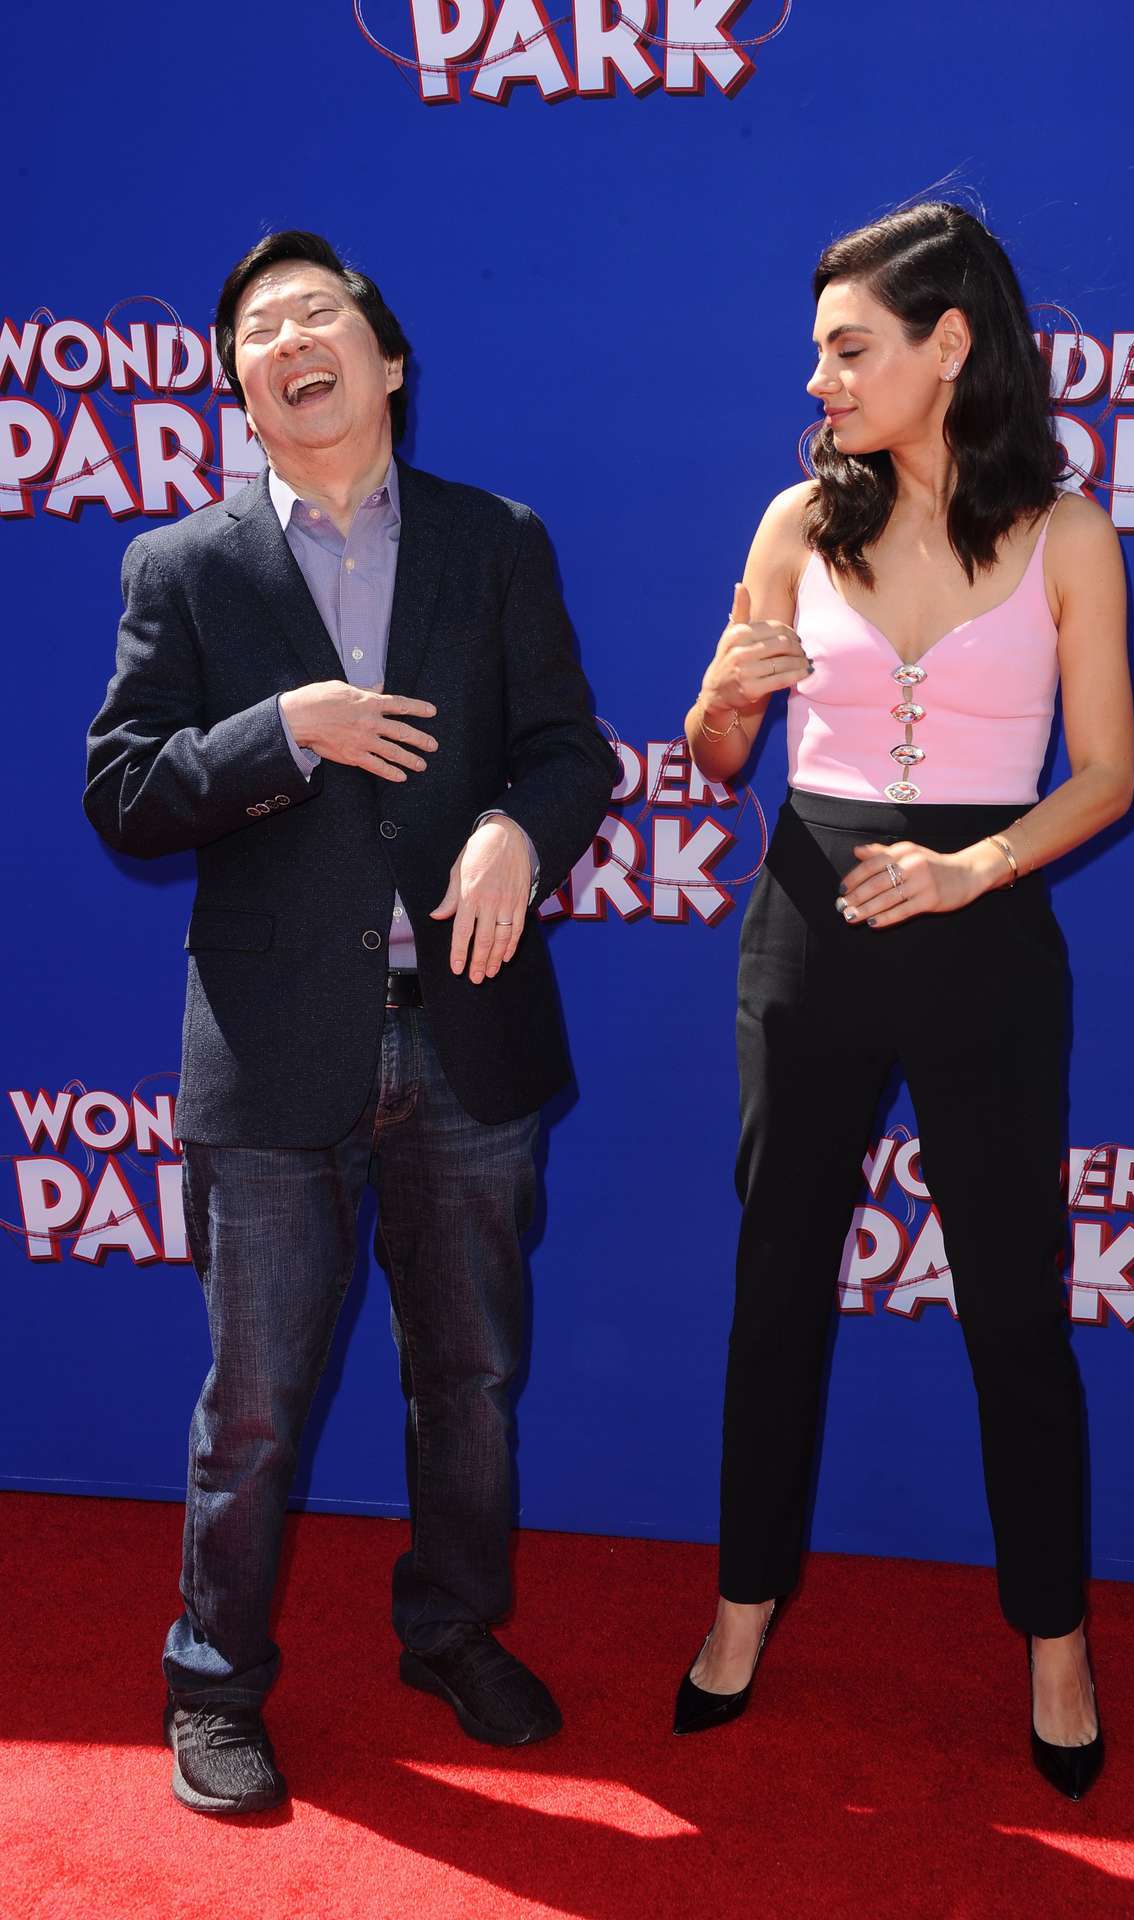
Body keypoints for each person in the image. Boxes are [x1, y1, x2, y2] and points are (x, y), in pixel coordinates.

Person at [84, 230, 616, 1815]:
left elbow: (569, 752)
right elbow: (124, 793)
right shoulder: (182, 567)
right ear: (239, 394)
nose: (289, 341)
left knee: (470, 1381)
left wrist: (521, 832)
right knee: (253, 1405)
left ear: (386, 363)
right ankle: (213, 1683)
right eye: (258, 332)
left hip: (467, 1033)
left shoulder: (493, 539)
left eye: (318, 315)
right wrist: (281, 731)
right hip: (272, 1048)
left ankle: (451, 1633)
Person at [674, 202, 1134, 1801]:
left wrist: (971, 869)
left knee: (1012, 1303)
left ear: (948, 346)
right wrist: (720, 704)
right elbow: (717, 755)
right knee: (774, 1287)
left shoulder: (1067, 535)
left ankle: (1055, 1641)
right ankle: (740, 1610)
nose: (819, 378)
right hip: (805, 925)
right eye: (818, 351)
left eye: (847, 348)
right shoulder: (796, 523)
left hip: (984, 939)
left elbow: (1106, 776)